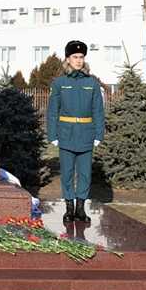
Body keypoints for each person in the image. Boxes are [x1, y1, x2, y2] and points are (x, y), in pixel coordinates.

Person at [47, 40, 105, 225]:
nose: (79, 60)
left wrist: (98, 134)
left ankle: (81, 209)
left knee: (85, 173)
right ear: (68, 59)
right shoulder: (60, 83)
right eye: (75, 57)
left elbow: (98, 110)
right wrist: (52, 135)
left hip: (86, 134)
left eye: (81, 57)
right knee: (67, 173)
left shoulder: (92, 83)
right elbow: (52, 110)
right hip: (66, 133)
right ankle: (69, 209)